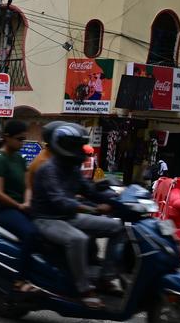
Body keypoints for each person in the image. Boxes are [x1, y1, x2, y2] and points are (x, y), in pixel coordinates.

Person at [31, 123, 124, 309]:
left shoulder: (72, 168)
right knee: (78, 239)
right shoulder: (48, 169)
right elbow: (60, 201)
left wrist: (119, 198)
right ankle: (84, 290)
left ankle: (106, 278)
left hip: (68, 217)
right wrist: (93, 209)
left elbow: (89, 190)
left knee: (117, 228)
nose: (79, 150)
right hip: (47, 219)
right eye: (74, 145)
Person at [0, 120, 37, 284]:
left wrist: (28, 201)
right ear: (7, 137)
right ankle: (20, 279)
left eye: (23, 139)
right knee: (30, 233)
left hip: (21, 207)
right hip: (3, 209)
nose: (21, 143)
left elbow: (28, 185)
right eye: (19, 139)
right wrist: (20, 205)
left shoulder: (19, 158)